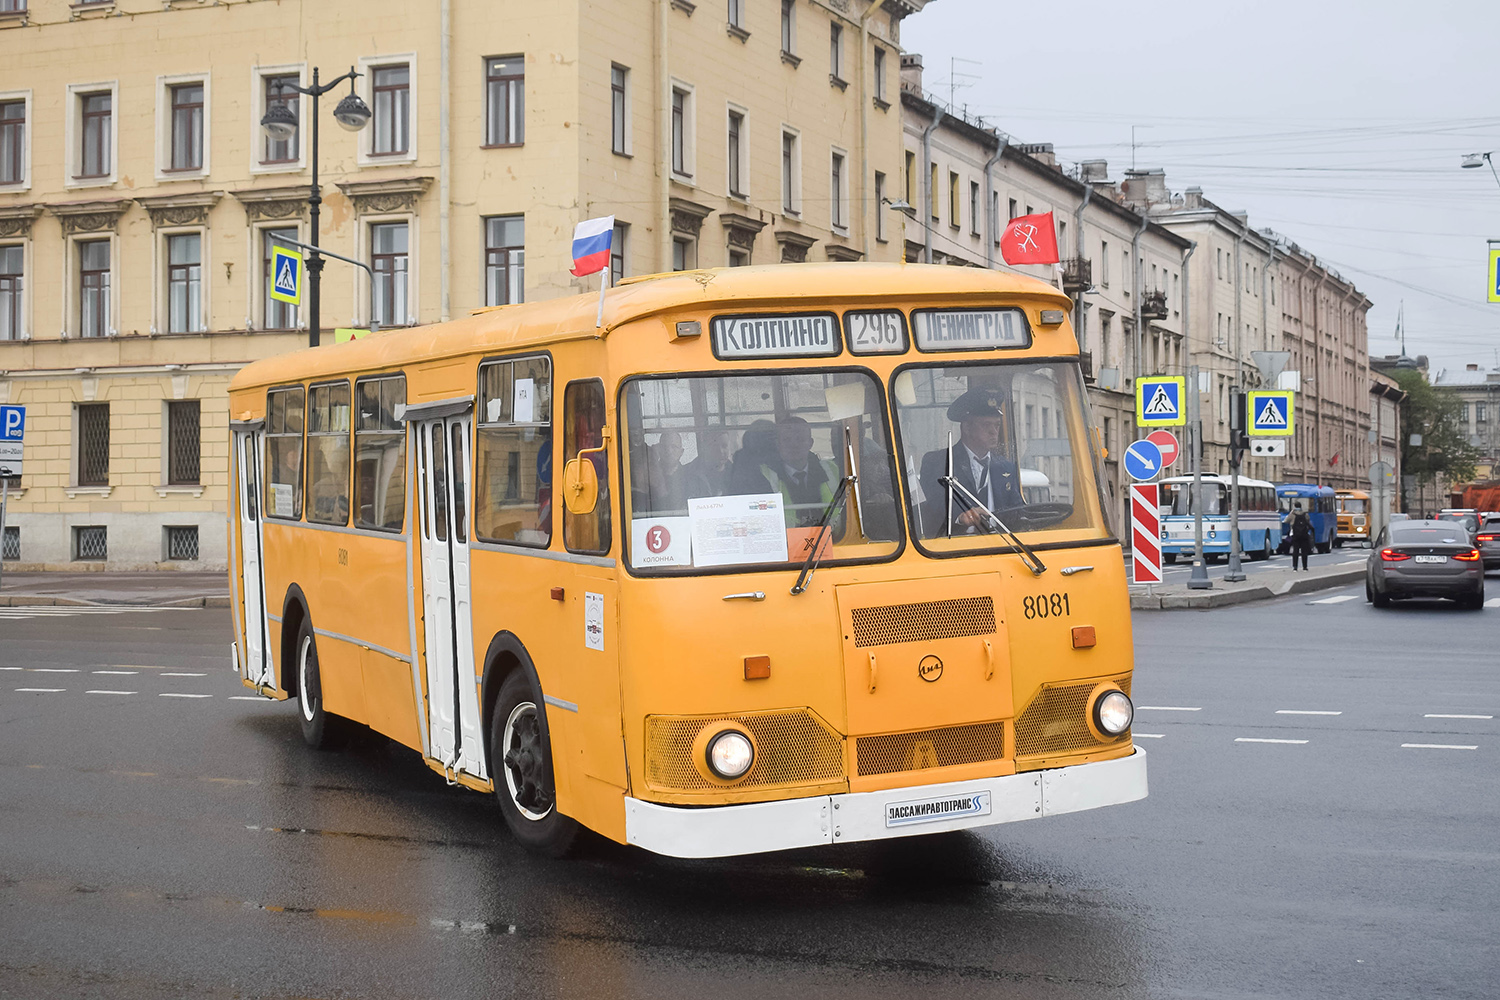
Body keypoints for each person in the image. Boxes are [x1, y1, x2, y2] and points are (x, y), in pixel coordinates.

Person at [917, 388, 1024, 536]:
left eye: (997, 425)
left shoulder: (1005, 467)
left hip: (1001, 548)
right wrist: (960, 518)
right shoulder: (939, 463)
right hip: (955, 550)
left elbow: (1018, 512)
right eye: (986, 425)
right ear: (967, 427)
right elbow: (932, 507)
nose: (994, 432)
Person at [682, 427, 733, 498]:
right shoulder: (686, 473)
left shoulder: (738, 473)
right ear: (705, 448)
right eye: (715, 446)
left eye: (724, 446)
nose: (721, 451)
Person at [1289, 505, 1314, 571]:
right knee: (1304, 552)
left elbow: (1286, 520)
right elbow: (1308, 521)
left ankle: (1295, 567)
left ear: (1294, 506)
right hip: (1304, 535)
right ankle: (1305, 567)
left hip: (1296, 536)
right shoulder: (1305, 514)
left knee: (1295, 551)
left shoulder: (1293, 514)